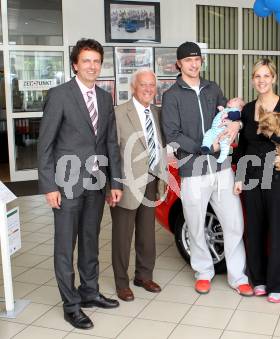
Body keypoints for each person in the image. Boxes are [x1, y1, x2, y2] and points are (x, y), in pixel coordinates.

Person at [37, 38, 123, 329]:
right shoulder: (60, 95)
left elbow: (110, 142)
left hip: (97, 184)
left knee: (90, 242)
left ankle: (89, 292)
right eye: (86, 60)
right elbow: (45, 145)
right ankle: (71, 305)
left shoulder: (104, 97)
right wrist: (49, 186)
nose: (92, 66)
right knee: (65, 246)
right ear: (75, 64)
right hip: (66, 183)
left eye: (96, 61)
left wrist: (115, 181)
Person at [161, 41, 253, 296]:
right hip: (193, 170)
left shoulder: (213, 89)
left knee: (234, 222)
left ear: (201, 61)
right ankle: (204, 272)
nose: (193, 63)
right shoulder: (171, 96)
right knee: (195, 223)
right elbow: (172, 135)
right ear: (179, 64)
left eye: (197, 59)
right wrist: (205, 148)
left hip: (222, 168)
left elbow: (229, 115)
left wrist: (237, 125)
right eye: (188, 60)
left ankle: (238, 276)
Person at [233, 58, 280, 303]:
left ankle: (278, 284)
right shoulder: (247, 109)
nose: (262, 80)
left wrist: (271, 121)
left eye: (266, 76)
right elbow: (243, 146)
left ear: (273, 78)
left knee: (277, 231)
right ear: (252, 80)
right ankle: (260, 280)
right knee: (254, 231)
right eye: (257, 76)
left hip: (279, 176)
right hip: (252, 178)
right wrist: (239, 177)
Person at [108, 68, 165, 301]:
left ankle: (143, 275)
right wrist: (113, 186)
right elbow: (111, 151)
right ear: (134, 87)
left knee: (147, 234)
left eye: (152, 85)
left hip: (151, 179)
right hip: (124, 183)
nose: (149, 89)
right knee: (122, 236)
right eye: (144, 85)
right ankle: (122, 283)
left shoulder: (158, 112)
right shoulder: (119, 113)